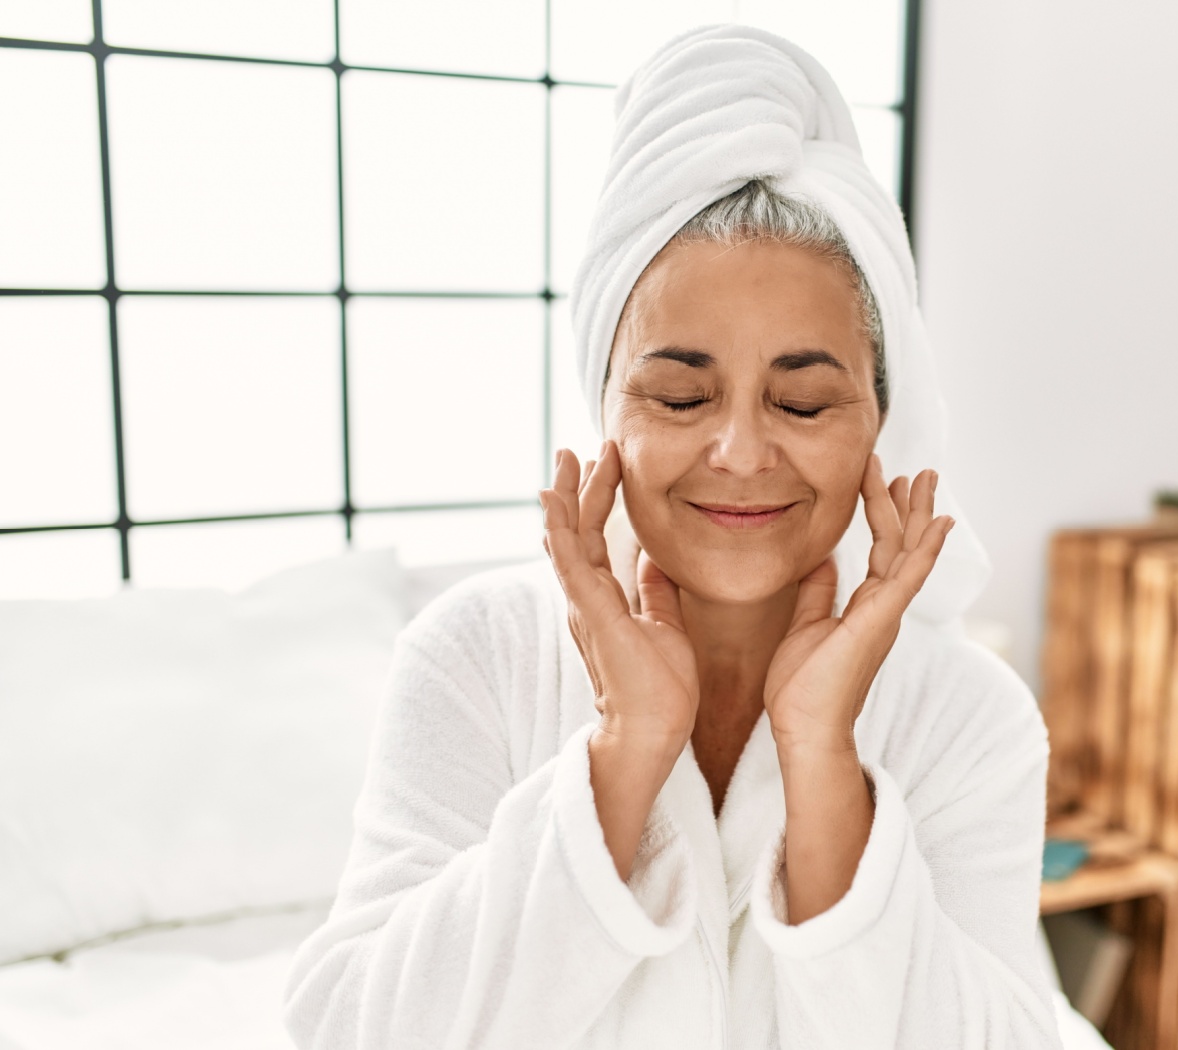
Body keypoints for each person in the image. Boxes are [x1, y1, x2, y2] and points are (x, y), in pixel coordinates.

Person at [283, 24, 1065, 1050]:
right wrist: (623, 751)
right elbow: (349, 1033)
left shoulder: (966, 717)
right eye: (681, 392)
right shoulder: (478, 655)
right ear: (604, 411)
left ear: (883, 426)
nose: (740, 451)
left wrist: (824, 759)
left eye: (803, 402)